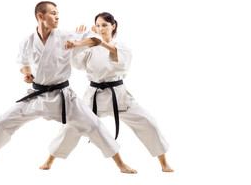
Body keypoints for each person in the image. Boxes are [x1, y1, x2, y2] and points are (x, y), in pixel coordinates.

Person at [0, 2, 136, 173]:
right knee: (3, 121)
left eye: (58, 13)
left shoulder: (65, 36)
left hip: (63, 96)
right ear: (40, 16)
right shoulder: (28, 41)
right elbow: (22, 61)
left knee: (94, 125)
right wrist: (26, 73)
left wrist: (77, 44)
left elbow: (96, 39)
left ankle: (121, 164)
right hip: (37, 95)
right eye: (53, 13)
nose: (57, 17)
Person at [40, 12, 173, 172]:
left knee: (148, 123)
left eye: (104, 25)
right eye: (97, 25)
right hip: (94, 95)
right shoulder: (91, 48)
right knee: (71, 127)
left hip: (118, 95)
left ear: (113, 26)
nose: (100, 29)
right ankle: (49, 160)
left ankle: (164, 163)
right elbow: (78, 64)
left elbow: (119, 56)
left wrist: (97, 41)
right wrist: (80, 43)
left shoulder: (121, 46)